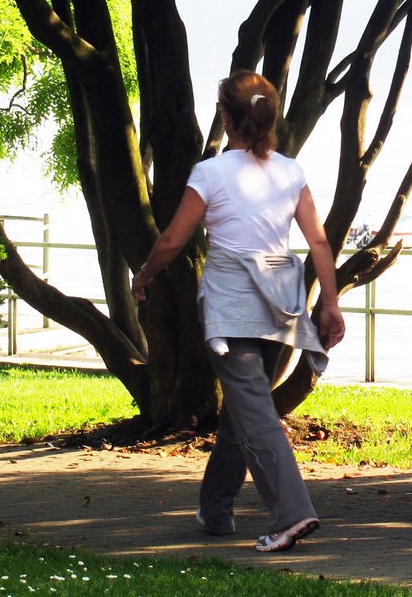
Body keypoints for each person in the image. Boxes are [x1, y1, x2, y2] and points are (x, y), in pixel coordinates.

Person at [131, 70, 346, 553]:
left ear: (227, 118)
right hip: (281, 294)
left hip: (233, 300)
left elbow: (171, 239)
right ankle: (216, 507)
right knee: (246, 406)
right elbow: (317, 241)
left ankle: (292, 513)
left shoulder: (210, 173)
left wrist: (142, 277)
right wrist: (328, 303)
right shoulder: (291, 172)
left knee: (252, 409)